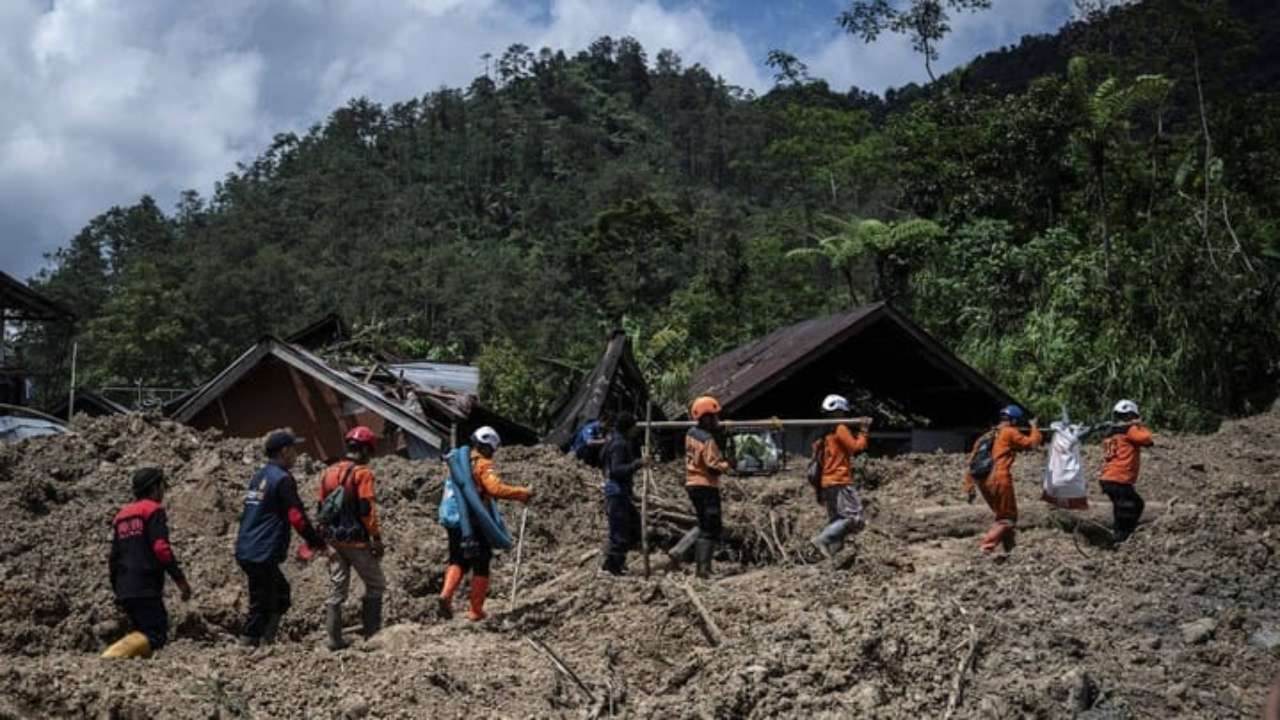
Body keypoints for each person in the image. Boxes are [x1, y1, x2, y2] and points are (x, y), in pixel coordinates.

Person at [234, 429, 329, 647]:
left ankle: (267, 643)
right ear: (284, 451)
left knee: (280, 595)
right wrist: (319, 544)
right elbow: (297, 517)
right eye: (294, 449)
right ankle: (246, 648)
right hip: (262, 551)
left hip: (248, 547)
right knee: (262, 604)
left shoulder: (259, 476)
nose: (297, 454)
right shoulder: (283, 479)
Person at [438, 426, 534, 621]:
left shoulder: (457, 461)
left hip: (453, 520)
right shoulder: (482, 464)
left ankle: (446, 595)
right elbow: (495, 488)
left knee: (457, 559)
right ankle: (476, 610)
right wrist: (522, 493)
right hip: (474, 521)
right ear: (489, 447)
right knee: (481, 563)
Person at [103, 467, 192, 658]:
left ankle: (124, 667)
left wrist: (116, 587)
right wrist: (180, 580)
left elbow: (113, 557)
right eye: (162, 486)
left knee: (141, 634)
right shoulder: (153, 510)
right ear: (154, 487)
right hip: (145, 585)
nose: (163, 491)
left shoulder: (121, 516)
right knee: (156, 634)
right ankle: (112, 656)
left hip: (124, 586)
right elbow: (161, 548)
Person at [317, 425, 386, 651]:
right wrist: (375, 537)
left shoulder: (327, 472)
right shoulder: (362, 473)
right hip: (357, 541)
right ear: (366, 450)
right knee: (376, 584)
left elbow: (321, 508)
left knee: (337, 589)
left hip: (333, 542)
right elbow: (366, 509)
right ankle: (371, 631)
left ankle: (334, 639)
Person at [963, 405, 1043, 555]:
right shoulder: (1009, 432)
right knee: (1007, 518)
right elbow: (1033, 444)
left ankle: (1009, 550)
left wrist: (969, 488)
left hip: (982, 482)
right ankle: (986, 548)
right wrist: (1034, 427)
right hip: (999, 478)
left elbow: (972, 462)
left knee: (1000, 516)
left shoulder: (984, 437)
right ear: (1014, 421)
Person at [809, 395, 873, 558]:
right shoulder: (840, 428)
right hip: (840, 479)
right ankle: (823, 539)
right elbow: (855, 447)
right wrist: (864, 431)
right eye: (843, 413)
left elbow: (818, 463)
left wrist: (818, 491)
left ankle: (832, 554)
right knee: (854, 517)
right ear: (838, 412)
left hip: (826, 482)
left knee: (836, 520)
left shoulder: (821, 434)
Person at [683, 396, 732, 579]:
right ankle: (703, 570)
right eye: (714, 416)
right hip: (705, 484)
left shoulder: (690, 433)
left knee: (704, 524)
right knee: (711, 526)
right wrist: (727, 465)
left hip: (692, 483)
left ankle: (700, 567)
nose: (717, 420)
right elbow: (712, 467)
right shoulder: (707, 440)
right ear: (706, 418)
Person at [1099, 399, 1155, 545]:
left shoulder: (1111, 433)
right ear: (1131, 415)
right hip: (1119, 478)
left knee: (1135, 504)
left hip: (1109, 478)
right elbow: (1147, 439)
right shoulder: (1130, 431)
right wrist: (1138, 425)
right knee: (1127, 510)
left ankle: (1123, 534)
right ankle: (1119, 540)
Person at [600, 412, 649, 577]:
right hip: (617, 493)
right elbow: (617, 469)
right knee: (620, 532)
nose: (636, 429)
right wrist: (639, 463)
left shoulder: (613, 440)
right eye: (634, 426)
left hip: (619, 492)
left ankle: (617, 562)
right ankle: (611, 567)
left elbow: (603, 458)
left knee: (633, 525)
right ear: (629, 427)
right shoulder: (619, 444)